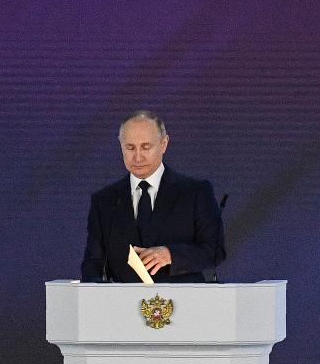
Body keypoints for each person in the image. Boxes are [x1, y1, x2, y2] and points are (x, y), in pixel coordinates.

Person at [80, 110, 225, 283]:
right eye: (130, 148)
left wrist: (171, 254)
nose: (138, 157)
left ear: (164, 144)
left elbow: (215, 250)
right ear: (121, 146)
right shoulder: (105, 201)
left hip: (184, 304)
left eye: (146, 147)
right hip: (122, 306)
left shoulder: (195, 192)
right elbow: (93, 263)